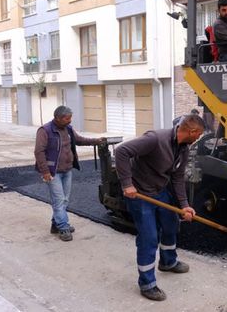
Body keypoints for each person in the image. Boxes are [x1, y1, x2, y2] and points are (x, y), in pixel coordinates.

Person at [115, 114, 205, 301]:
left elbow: (178, 178)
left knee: (171, 225)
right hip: (140, 194)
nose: (199, 138)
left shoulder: (183, 149)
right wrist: (126, 184)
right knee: (149, 237)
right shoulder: (155, 139)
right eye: (199, 134)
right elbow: (122, 152)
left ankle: (168, 262)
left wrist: (185, 206)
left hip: (160, 190)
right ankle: (147, 284)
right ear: (192, 131)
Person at [34, 105, 105, 241]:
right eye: (67, 118)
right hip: (52, 172)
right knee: (59, 200)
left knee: (64, 199)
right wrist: (45, 172)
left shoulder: (68, 129)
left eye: (70, 118)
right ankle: (63, 227)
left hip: (67, 170)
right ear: (57, 118)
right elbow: (39, 152)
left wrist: (96, 141)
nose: (70, 121)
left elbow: (79, 140)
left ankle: (56, 224)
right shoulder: (45, 131)